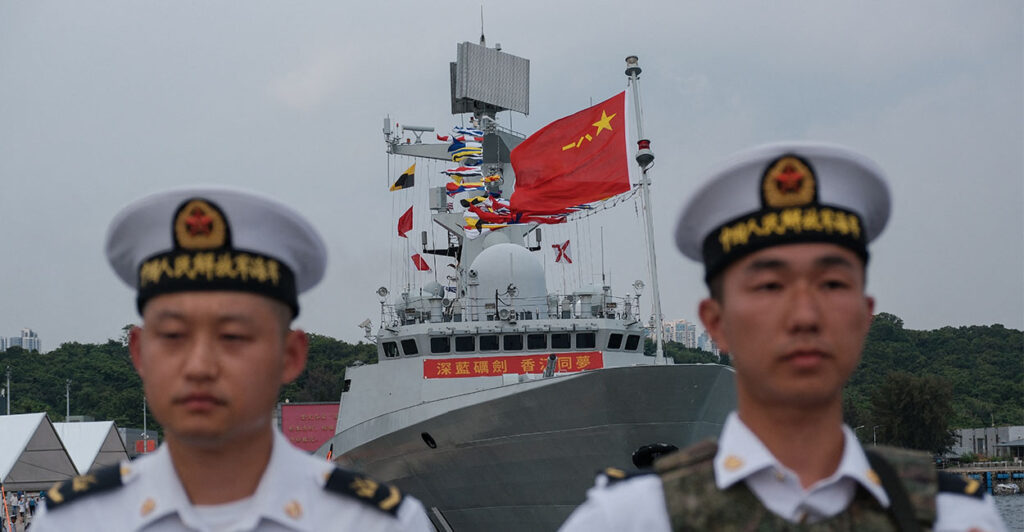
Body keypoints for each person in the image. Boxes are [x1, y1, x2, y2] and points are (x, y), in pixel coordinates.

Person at [559, 142, 1007, 531]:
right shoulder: (626, 521)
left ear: (866, 316)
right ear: (715, 322)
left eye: (832, 284)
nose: (804, 316)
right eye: (769, 287)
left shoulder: (955, 520)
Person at [32, 186, 432, 531]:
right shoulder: (72, 523)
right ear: (138, 352)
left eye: (234, 336)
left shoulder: (378, 524)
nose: (200, 366)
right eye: (173, 336)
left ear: (290, 356)